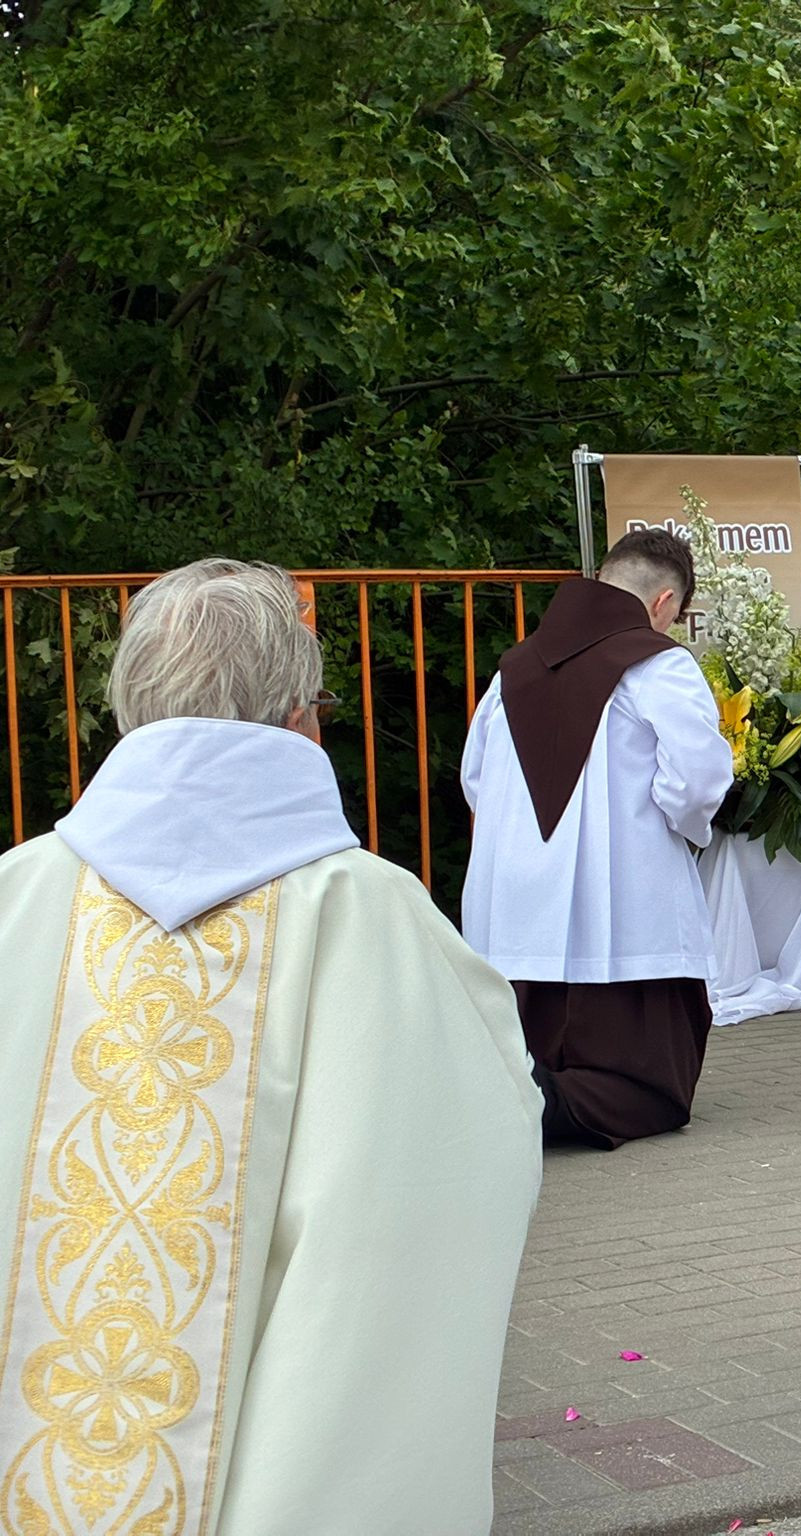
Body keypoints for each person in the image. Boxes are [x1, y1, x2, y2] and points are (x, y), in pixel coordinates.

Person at [0, 560, 540, 1532]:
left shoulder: (15, 898)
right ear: (300, 720)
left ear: (129, 709)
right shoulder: (377, 922)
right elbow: (428, 1212)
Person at [462, 527, 732, 1149]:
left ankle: (506, 1097)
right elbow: (696, 782)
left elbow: (476, 780)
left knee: (526, 1050)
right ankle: (540, 1104)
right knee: (649, 1090)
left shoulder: (511, 671)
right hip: (627, 929)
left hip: (515, 924)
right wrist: (680, 833)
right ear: (665, 602)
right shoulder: (661, 666)